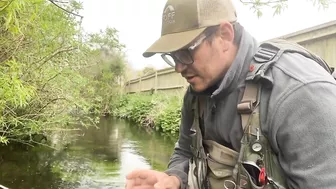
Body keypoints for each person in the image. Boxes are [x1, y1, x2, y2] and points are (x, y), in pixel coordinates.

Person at [125, 0, 336, 188]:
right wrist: (174, 179)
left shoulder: (298, 93)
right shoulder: (195, 95)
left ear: (225, 35)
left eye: (185, 53)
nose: (178, 67)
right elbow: (185, 151)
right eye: (172, 56)